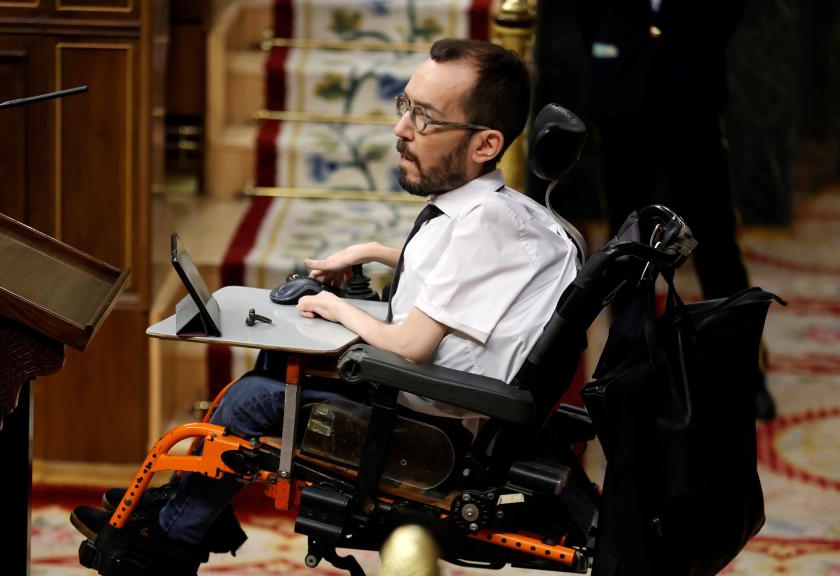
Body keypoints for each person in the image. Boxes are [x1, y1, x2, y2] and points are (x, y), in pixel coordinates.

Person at [71, 38, 579, 574]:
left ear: (486, 144)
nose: (400, 130)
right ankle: (187, 509)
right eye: (405, 105)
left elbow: (412, 345)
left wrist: (335, 307)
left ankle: (167, 547)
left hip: (433, 438)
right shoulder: (500, 213)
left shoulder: (482, 226)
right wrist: (373, 253)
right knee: (273, 363)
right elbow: (456, 279)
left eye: (425, 119)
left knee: (247, 403)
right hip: (437, 407)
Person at [575, 0, 776, 419]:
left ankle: (741, 375)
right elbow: (586, 12)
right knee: (627, 243)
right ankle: (630, 372)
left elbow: (726, 14)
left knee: (716, 237)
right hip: (622, 87)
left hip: (691, 84)